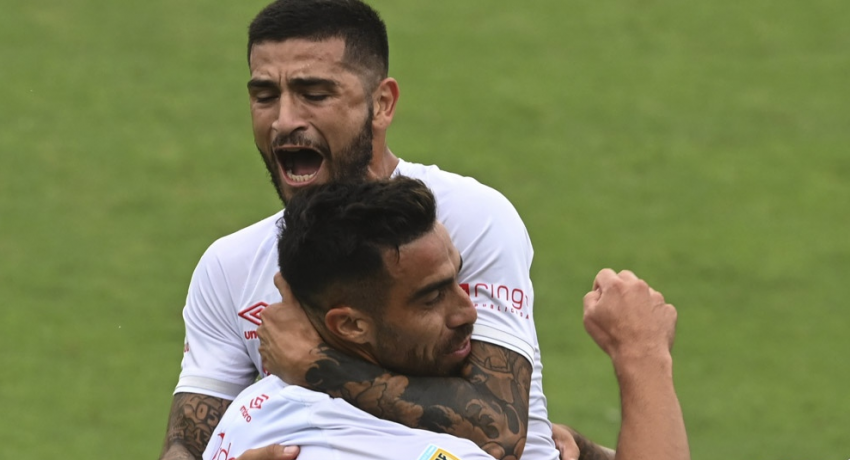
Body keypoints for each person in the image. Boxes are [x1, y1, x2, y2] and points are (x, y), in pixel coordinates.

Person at [159, 1, 607, 459]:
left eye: (315, 94)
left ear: (382, 103)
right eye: (265, 96)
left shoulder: (467, 219)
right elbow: (184, 446)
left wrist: (315, 364)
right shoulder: (229, 266)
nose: (284, 120)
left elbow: (499, 429)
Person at [203, 178, 689, 460]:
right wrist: (642, 356)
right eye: (431, 298)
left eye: (458, 280)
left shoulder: (254, 409)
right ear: (349, 325)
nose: (467, 311)